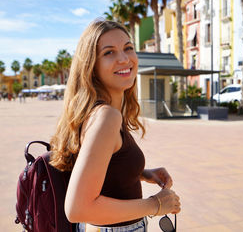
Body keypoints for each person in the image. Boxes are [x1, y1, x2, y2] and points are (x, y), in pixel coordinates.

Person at [50, 19, 180, 232]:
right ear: (91, 66)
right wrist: (155, 204)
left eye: (128, 48)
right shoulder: (106, 117)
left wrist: (142, 172)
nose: (123, 58)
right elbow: (77, 208)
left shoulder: (97, 112)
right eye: (109, 52)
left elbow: (102, 168)